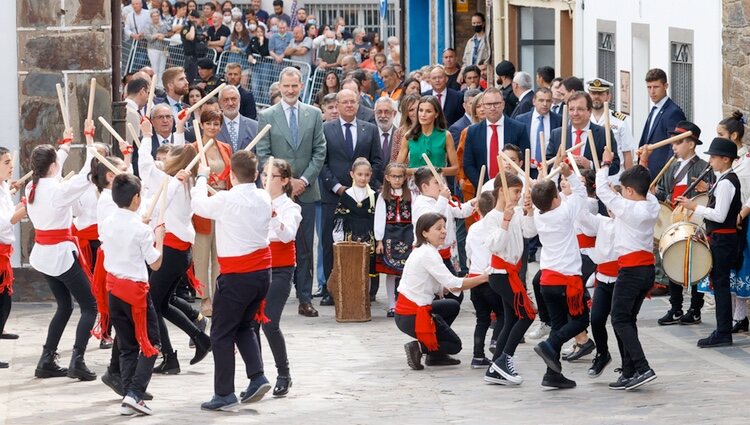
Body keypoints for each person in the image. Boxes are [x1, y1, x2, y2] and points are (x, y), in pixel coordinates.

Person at [192, 151, 273, 411]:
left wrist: (201, 177)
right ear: (258, 174)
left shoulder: (227, 199)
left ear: (231, 175)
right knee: (244, 326)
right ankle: (257, 376)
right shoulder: (263, 196)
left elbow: (198, 206)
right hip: (262, 274)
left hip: (238, 276)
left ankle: (224, 392)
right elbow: (228, 202)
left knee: (221, 333)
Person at [137, 118, 212, 374]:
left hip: (170, 251)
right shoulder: (184, 182)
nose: (166, 158)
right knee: (162, 302)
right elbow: (184, 156)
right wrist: (180, 132)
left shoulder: (173, 185)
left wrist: (147, 136)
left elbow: (146, 167)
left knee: (153, 305)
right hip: (178, 251)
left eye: (170, 156)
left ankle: (170, 356)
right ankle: (198, 339)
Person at [256, 67, 327, 318]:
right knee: (273, 242)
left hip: (306, 191)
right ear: (279, 86)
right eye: (286, 86)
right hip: (277, 193)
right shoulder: (267, 115)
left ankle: (305, 298)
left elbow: (320, 150)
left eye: (294, 86)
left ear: (301, 86)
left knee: (305, 247)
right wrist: (286, 183)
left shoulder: (314, 114)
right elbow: (263, 154)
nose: (290, 90)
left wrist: (304, 180)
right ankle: (269, 297)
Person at [29, 127, 98, 381]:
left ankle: (46, 359)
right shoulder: (58, 191)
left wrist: (65, 146)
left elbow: (54, 171)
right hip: (59, 255)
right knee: (91, 305)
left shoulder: (31, 187)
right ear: (54, 166)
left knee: (65, 306)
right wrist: (89, 140)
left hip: (44, 255)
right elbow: (87, 174)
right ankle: (77, 361)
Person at [100, 174, 165, 416]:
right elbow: (156, 263)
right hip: (135, 291)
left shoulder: (107, 222)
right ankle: (135, 393)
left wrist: (145, 228)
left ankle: (129, 393)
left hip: (114, 290)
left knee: (127, 345)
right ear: (136, 198)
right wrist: (159, 238)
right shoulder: (140, 229)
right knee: (151, 343)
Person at [395, 212, 488, 370]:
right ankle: (420, 348)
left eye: (444, 227)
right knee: (454, 345)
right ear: (424, 232)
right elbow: (453, 284)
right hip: (413, 315)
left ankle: (434, 355)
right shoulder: (428, 254)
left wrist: (462, 281)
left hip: (410, 312)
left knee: (452, 305)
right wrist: (484, 278)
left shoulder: (425, 250)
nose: (444, 231)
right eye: (438, 228)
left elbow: (443, 287)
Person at [319, 89, 384, 305]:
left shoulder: (370, 129)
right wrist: (338, 187)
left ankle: (368, 289)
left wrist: (366, 188)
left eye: (353, 102)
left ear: (358, 104)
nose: (349, 105)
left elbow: (377, 161)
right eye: (344, 102)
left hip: (365, 199)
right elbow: (322, 161)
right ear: (336, 104)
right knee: (331, 242)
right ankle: (332, 290)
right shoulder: (326, 129)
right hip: (334, 195)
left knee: (367, 241)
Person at [676, 138, 741, 349]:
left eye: (713, 157)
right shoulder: (722, 181)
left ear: (725, 159)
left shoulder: (727, 182)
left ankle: (723, 332)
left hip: (724, 240)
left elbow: (720, 215)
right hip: (721, 239)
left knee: (721, 286)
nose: (710, 161)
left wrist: (694, 206)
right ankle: (722, 330)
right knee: (720, 284)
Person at [530, 161, 588, 389]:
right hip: (566, 280)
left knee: (558, 324)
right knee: (582, 320)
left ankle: (552, 375)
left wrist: (547, 178)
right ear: (556, 199)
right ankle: (550, 344)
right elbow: (580, 194)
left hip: (547, 280)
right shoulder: (564, 213)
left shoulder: (538, 215)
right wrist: (570, 174)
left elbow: (542, 195)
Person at [647, 122, 712, 326]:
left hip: (694, 222)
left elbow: (708, 197)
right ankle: (675, 308)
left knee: (695, 264)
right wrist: (656, 194)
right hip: (674, 222)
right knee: (672, 262)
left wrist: (707, 189)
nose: (674, 147)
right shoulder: (672, 167)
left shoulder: (704, 167)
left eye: (678, 142)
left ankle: (695, 308)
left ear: (691, 144)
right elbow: (666, 193)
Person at [252, 158, 301, 397]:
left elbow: (287, 234)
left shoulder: (291, 207)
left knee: (269, 322)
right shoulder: (255, 201)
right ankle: (257, 376)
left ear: (284, 182)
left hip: (280, 269)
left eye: (271, 176)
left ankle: (284, 373)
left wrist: (271, 214)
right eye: (264, 174)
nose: (265, 179)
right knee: (250, 324)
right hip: (255, 268)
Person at [483, 172, 537, 385]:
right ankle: (504, 360)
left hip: (512, 273)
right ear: (501, 191)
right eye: (515, 192)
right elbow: (496, 246)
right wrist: (505, 221)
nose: (518, 196)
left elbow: (530, 232)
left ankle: (495, 365)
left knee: (513, 318)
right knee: (527, 315)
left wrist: (529, 212)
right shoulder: (492, 218)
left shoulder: (515, 213)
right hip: (501, 274)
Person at [581, 186, 620, 378]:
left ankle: (629, 362)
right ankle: (602, 354)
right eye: (610, 205)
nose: (612, 208)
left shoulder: (631, 224)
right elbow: (582, 216)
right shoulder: (602, 222)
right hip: (603, 279)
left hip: (622, 278)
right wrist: (577, 188)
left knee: (621, 322)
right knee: (596, 319)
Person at [412, 167, 474, 277]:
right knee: (434, 290)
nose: (442, 186)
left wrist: (472, 204)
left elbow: (460, 211)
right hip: (429, 254)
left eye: (443, 181)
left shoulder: (443, 200)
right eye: (437, 182)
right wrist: (443, 199)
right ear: (425, 187)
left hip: (446, 253)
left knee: (454, 291)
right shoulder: (420, 204)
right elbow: (430, 221)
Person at [464, 191, 502, 369]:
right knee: (503, 314)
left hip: (474, 278)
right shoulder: (496, 228)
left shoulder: (473, 228)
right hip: (490, 277)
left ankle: (477, 356)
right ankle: (496, 341)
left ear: (478, 209)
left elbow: (468, 252)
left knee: (482, 319)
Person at [463, 87, 529, 187]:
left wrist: (512, 184)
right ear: (483, 106)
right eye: (489, 104)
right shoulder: (473, 132)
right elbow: (468, 164)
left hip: (512, 188)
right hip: (484, 190)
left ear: (503, 104)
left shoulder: (519, 129)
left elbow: (524, 160)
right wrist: (485, 186)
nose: (493, 108)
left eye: (496, 104)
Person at [332, 158, 379, 296]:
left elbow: (379, 218)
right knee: (351, 266)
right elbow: (339, 219)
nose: (363, 178)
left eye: (366, 175)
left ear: (371, 175)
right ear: (352, 174)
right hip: (350, 236)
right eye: (359, 174)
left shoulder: (374, 196)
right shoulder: (346, 195)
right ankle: (351, 295)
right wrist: (338, 239)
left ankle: (368, 295)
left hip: (369, 237)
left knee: (368, 267)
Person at [545, 91, 620, 178]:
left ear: (590, 111)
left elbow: (615, 166)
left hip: (592, 189)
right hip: (564, 187)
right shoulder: (557, 134)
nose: (575, 113)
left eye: (580, 109)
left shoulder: (603, 133)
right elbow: (547, 163)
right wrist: (561, 162)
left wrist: (591, 164)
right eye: (571, 109)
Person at [722, 112, 750, 332]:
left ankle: (740, 316)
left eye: (721, 134)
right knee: (731, 268)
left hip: (743, 218)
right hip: (729, 218)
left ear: (733, 135)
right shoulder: (727, 159)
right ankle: (734, 316)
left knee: (741, 266)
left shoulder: (747, 160)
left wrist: (741, 214)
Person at [375, 162, 413, 316]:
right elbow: (379, 218)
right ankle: (392, 304)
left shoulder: (411, 195)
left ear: (405, 178)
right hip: (390, 234)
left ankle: (404, 303)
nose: (397, 180)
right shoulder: (383, 196)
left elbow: (416, 217)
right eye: (394, 176)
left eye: (400, 176)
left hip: (407, 234)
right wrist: (379, 240)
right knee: (391, 272)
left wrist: (417, 238)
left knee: (406, 271)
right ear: (387, 177)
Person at [0, 148, 26, 368]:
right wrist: (25, 208)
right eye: (7, 162)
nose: (11, 166)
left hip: (3, 253)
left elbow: (8, 211)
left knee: (4, 302)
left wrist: (21, 205)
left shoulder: (2, 187)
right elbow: (4, 222)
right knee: (2, 303)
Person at [638, 68, 687, 178]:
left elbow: (674, 147)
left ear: (665, 86)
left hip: (660, 174)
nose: (652, 91)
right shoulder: (655, 108)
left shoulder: (673, 112)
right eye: (649, 87)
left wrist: (664, 177)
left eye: (656, 87)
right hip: (647, 171)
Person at [586, 78, 635, 174]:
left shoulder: (619, 120)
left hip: (613, 174)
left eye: (600, 94)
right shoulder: (583, 119)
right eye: (593, 93)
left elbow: (627, 153)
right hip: (589, 173)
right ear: (588, 96)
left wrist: (629, 180)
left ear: (608, 97)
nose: (596, 97)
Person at [514, 88, 562, 178]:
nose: (545, 104)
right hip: (527, 170)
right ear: (534, 101)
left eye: (548, 101)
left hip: (550, 170)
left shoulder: (559, 120)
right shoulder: (521, 119)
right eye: (541, 100)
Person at [217, 85, 258, 151]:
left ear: (239, 100)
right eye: (226, 100)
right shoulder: (213, 127)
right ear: (219, 103)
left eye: (233, 99)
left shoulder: (254, 127)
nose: (230, 103)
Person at [143, 9, 171, 89]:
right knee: (155, 67)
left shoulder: (163, 24)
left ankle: (161, 84)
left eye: (157, 16)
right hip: (153, 48)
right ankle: (154, 84)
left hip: (163, 48)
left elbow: (167, 34)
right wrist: (156, 35)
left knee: (162, 67)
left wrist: (163, 36)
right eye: (154, 16)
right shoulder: (148, 25)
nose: (156, 18)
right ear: (151, 17)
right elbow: (148, 37)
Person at [180, 10, 205, 83]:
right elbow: (190, 37)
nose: (195, 19)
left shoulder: (200, 29)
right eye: (193, 17)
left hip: (201, 58)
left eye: (196, 18)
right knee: (191, 81)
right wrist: (192, 25)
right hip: (191, 59)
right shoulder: (186, 28)